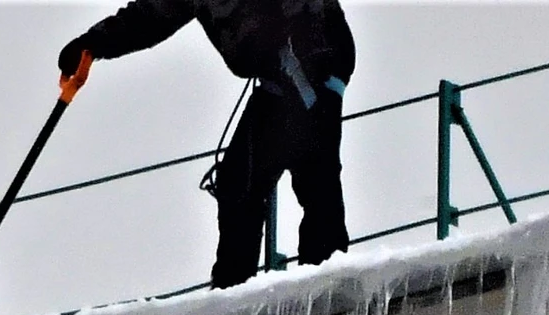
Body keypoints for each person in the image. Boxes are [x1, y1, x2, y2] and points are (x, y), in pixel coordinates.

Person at [58, 0, 356, 288]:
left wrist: (294, 50)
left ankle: (324, 286)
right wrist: (92, 44)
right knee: (240, 184)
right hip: (279, 76)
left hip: (311, 61)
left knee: (309, 174)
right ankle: (238, 295)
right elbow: (150, 16)